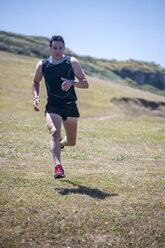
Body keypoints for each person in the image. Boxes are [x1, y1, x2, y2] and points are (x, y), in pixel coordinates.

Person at [32, 35, 89, 179]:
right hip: (53, 107)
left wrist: (72, 82)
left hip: (70, 106)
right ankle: (58, 167)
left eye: (60, 48)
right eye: (55, 48)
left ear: (64, 49)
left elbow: (85, 83)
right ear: (50, 49)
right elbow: (35, 82)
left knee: (71, 142)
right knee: (54, 132)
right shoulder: (42, 65)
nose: (58, 51)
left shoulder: (72, 62)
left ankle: (61, 144)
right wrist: (36, 96)